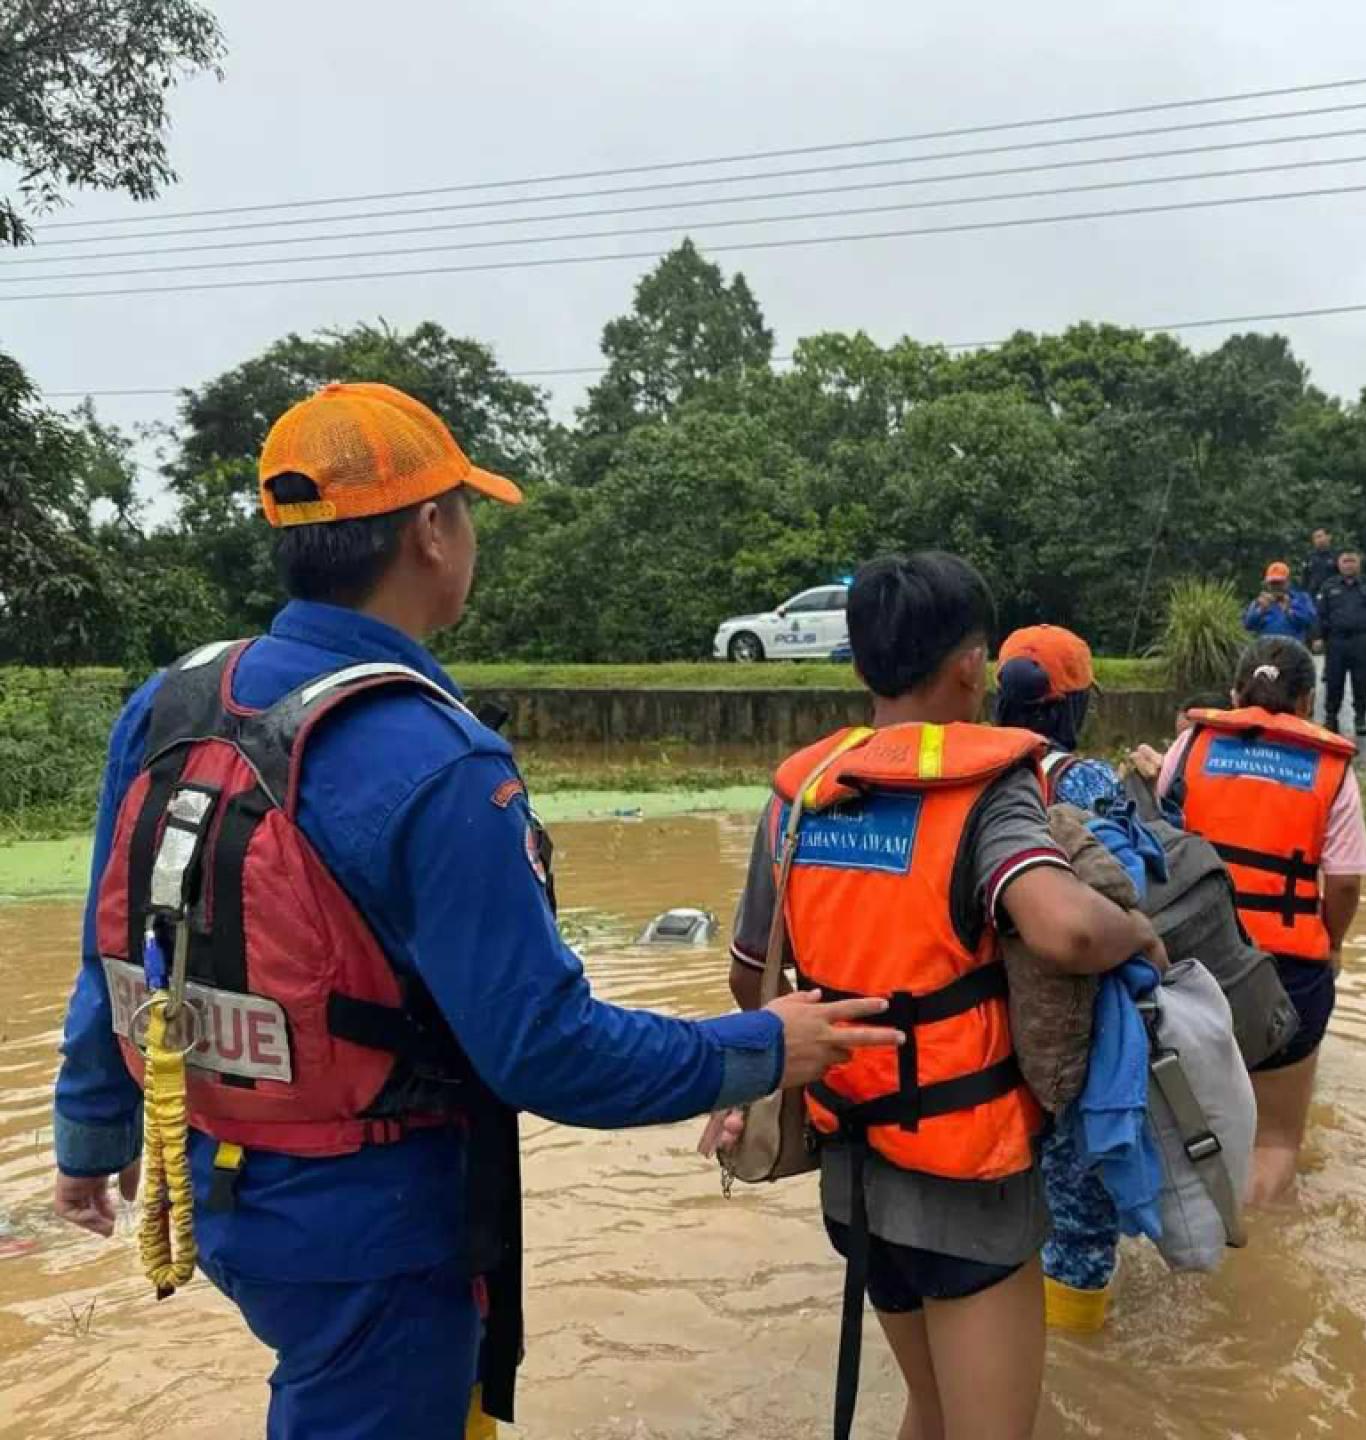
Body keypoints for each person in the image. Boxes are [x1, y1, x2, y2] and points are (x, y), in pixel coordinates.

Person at [48, 383, 897, 1440]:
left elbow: (114, 944)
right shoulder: (437, 759)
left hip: (220, 1193)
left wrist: (89, 1134)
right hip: (374, 1231)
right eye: (466, 510)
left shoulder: (176, 697)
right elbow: (547, 1052)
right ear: (432, 530)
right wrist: (766, 1044)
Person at [719, 554, 1164, 1440]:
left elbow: (749, 976)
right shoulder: (987, 793)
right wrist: (1137, 932)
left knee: (928, 1407)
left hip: (854, 1171)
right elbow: (1067, 931)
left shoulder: (803, 796)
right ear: (972, 666)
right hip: (971, 1182)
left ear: (860, 666)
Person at [1154, 637, 1366, 1204]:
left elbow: (1158, 844)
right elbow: (1345, 883)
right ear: (1307, 700)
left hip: (1191, 966)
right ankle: (1257, 1268)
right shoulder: (1333, 771)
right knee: (1272, 1145)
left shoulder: (1191, 744)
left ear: (1235, 692)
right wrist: (1335, 944)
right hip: (1290, 975)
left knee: (1185, 1133)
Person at [993, 624, 1131, 1333]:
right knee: (1080, 1216)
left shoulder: (974, 772)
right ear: (1070, 708)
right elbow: (1134, 887)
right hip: (1070, 1037)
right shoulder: (1087, 781)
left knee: (1006, 1204)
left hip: (985, 1040)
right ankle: (1080, 1363)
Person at [1314, 551, 1366, 737]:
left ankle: (1360, 717)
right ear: (1339, 564)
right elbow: (1320, 614)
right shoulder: (1329, 587)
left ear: (1359, 564)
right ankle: (1331, 717)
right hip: (1336, 641)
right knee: (1333, 681)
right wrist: (1318, 637)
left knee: (1361, 681)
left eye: (1352, 561)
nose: (1349, 565)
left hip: (1360, 640)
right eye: (1345, 561)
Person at [1243, 562, 1317, 643]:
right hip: (1267, 650)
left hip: (1293, 650)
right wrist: (1261, 610)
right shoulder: (1260, 602)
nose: (1276, 586)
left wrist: (1289, 611)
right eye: (1273, 583)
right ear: (1267, 584)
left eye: (1280, 582)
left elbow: (1311, 622)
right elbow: (1247, 625)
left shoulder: (1301, 598)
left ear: (1288, 581)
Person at [1302, 528, 1340, 598]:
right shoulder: (1309, 557)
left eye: (1320, 536)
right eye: (1315, 538)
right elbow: (1305, 578)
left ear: (1328, 537)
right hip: (1313, 595)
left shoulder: (1337, 556)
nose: (1318, 540)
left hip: (1331, 595)